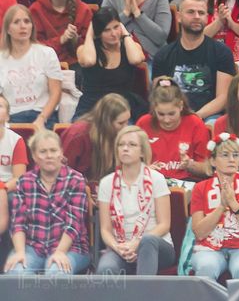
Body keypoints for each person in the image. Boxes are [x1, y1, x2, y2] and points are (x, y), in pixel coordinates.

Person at [3, 130, 91, 275]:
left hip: (71, 248)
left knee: (56, 272)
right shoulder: (24, 181)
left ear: (61, 153)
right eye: (43, 151)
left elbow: (74, 223)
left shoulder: (76, 180)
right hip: (32, 247)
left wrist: (60, 252)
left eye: (53, 150)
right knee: (15, 272)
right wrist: (19, 252)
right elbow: (18, 223)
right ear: (34, 156)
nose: (49, 156)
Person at [94, 124, 176, 275]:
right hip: (121, 246)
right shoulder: (106, 183)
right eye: (121, 145)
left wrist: (136, 243)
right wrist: (118, 247)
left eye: (131, 145)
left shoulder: (157, 179)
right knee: (106, 268)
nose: (125, 148)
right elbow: (105, 229)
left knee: (148, 240)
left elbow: (165, 224)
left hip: (156, 246)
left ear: (142, 152)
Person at [187, 135, 239, 280]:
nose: (231, 159)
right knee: (206, 268)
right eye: (225, 155)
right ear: (212, 161)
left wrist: (234, 204)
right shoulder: (200, 188)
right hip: (209, 248)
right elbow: (199, 233)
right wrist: (222, 207)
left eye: (235, 155)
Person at [153, 0, 236, 119]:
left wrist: (196, 116)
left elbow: (223, 98)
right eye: (191, 12)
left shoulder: (222, 52)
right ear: (178, 17)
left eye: (201, 13)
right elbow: (159, 96)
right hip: (173, 116)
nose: (197, 16)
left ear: (207, 18)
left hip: (209, 115)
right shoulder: (163, 55)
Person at [75, 8, 147, 118]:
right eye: (106, 30)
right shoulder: (84, 50)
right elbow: (89, 61)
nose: (113, 34)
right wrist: (90, 34)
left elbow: (136, 60)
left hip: (122, 107)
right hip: (92, 108)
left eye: (116, 27)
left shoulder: (130, 47)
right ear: (98, 32)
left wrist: (125, 34)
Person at [136, 78, 210, 184]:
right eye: (161, 114)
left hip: (186, 183)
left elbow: (207, 170)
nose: (166, 120)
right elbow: (132, 163)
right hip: (152, 182)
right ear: (153, 108)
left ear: (180, 106)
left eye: (171, 114)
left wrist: (190, 165)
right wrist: (146, 170)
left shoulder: (195, 123)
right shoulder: (143, 123)